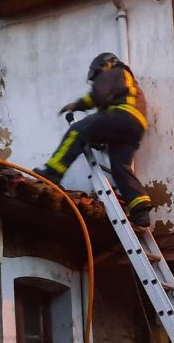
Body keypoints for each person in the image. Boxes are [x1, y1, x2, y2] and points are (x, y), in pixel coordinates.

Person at [36, 53, 152, 228]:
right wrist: (99, 135)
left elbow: (99, 94)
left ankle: (52, 173)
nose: (97, 79)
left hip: (121, 116)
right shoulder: (130, 83)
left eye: (97, 75)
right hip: (135, 127)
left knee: (77, 131)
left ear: (104, 66)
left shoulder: (114, 70)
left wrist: (77, 105)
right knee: (121, 168)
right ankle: (140, 208)